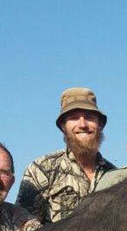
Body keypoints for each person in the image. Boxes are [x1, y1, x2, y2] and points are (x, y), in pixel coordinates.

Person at [16, 87, 116, 223]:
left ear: (100, 125)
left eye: (89, 117)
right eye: (74, 118)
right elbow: (24, 226)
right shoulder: (42, 169)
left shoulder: (115, 175)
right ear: (63, 126)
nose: (82, 124)